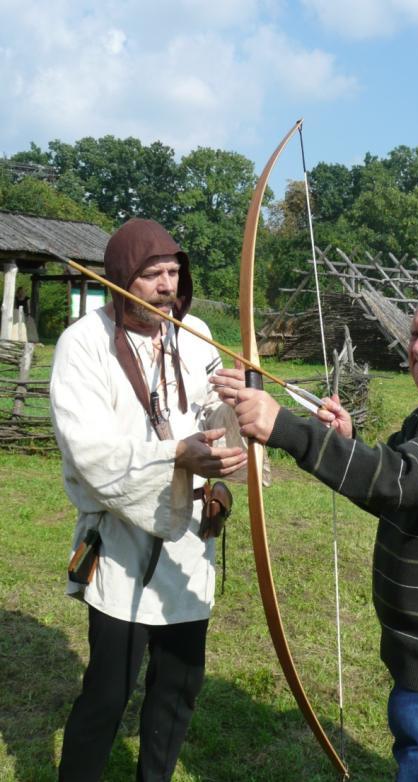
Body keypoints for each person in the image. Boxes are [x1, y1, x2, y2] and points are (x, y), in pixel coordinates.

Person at [220, 284, 418, 781]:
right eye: (415, 332)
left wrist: (285, 428)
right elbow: (400, 486)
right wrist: (343, 443)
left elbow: (398, 480)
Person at [50, 218, 247, 782]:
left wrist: (231, 436)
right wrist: (177, 457)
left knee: (178, 687)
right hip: (120, 543)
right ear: (119, 280)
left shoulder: (195, 333)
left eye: (173, 273)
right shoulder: (82, 344)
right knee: (108, 694)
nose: (166, 286)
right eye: (151, 275)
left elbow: (217, 415)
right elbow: (90, 453)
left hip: (189, 545)